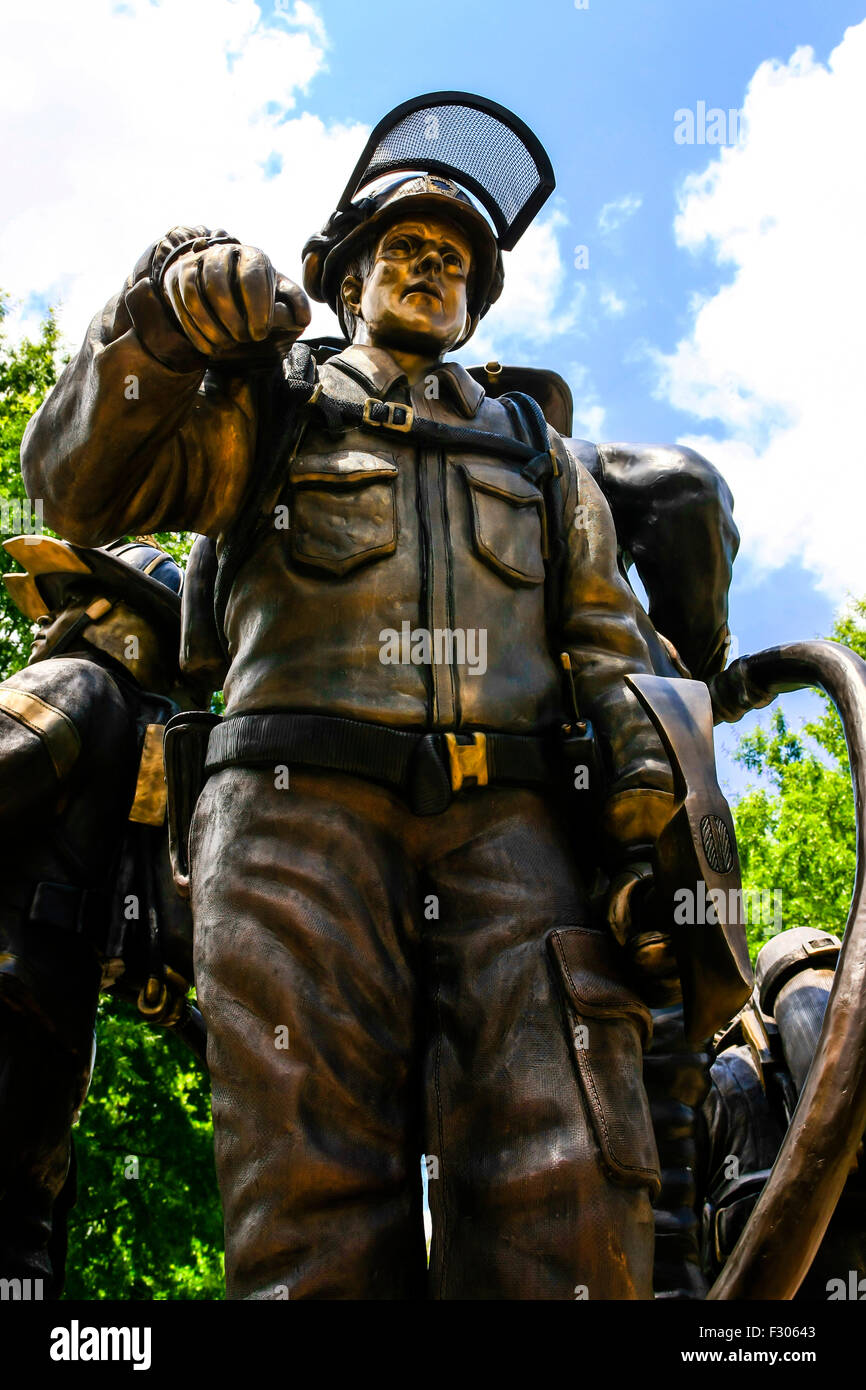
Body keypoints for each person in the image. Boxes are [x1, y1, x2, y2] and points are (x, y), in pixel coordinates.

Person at [20, 94, 732, 1300]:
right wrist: (157, 326)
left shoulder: (535, 452)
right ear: (342, 278)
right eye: (403, 247)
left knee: (568, 1187)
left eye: (453, 260)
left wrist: (647, 810)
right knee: (309, 1208)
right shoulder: (267, 406)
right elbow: (77, 491)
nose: (431, 268)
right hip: (296, 830)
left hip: (517, 839)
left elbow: (607, 643)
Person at [0, 535, 199, 1295]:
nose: (48, 626)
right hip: (51, 1071)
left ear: (105, 613)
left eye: (66, 606)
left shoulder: (72, 686)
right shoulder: (150, 754)